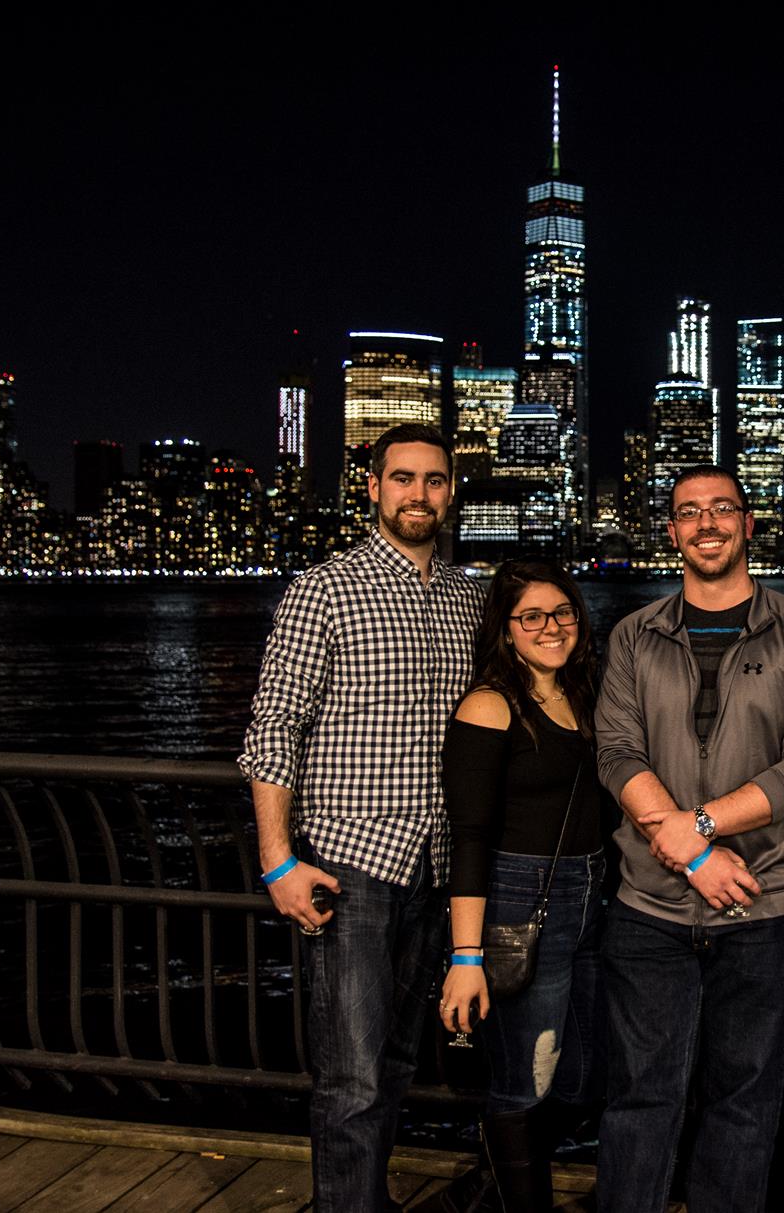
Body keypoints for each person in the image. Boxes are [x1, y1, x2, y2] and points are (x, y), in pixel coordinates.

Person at [239, 423, 483, 1213]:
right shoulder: (324, 588)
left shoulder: (469, 597)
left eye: (435, 480)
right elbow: (275, 725)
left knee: (401, 1062)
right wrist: (278, 859)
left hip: (436, 866)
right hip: (351, 866)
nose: (419, 494)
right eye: (403, 478)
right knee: (350, 1076)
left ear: (451, 491)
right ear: (373, 488)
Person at [592, 465, 784, 1213]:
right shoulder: (634, 635)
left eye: (721, 509)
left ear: (749, 523)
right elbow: (616, 751)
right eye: (688, 512)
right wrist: (691, 853)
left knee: (744, 1100)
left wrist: (698, 825)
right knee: (640, 1095)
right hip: (649, 907)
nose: (706, 523)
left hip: (764, 905)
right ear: (669, 531)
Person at [437, 560, 608, 1212]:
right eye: (531, 615)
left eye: (561, 611)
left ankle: (490, 1179)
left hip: (592, 896)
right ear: (506, 630)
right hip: (519, 898)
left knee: (586, 1075)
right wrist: (466, 957)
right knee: (525, 1080)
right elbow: (471, 835)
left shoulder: (582, 691)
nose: (550, 626)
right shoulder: (489, 705)